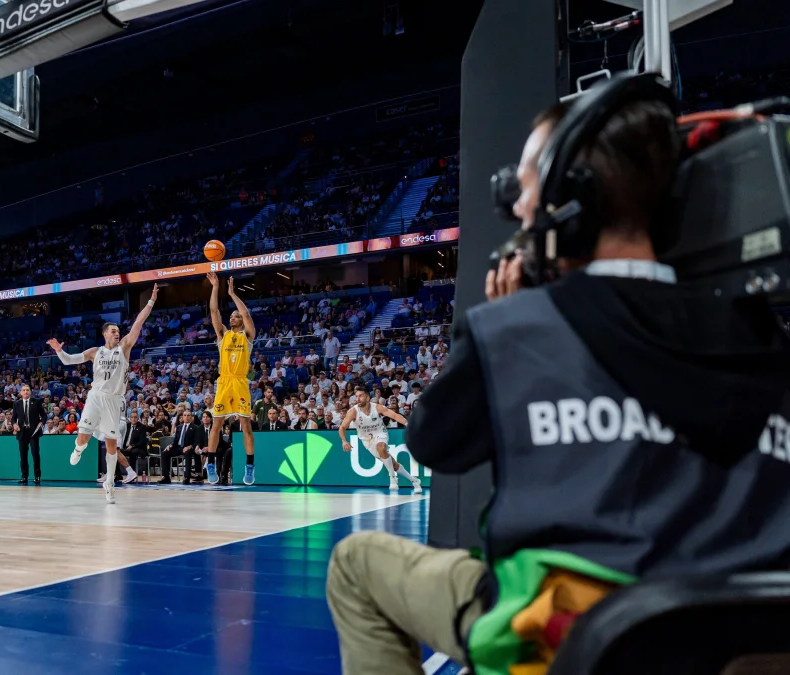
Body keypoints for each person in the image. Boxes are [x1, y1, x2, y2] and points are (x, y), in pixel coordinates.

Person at [326, 76, 790, 675]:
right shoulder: (769, 343)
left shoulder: (514, 332)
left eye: (525, 188)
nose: (518, 209)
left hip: (568, 641)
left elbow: (432, 440)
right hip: (741, 645)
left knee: (356, 563)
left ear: (574, 198)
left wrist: (505, 315)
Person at [51, 284, 158, 504]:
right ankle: (78, 450)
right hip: (95, 397)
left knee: (111, 445)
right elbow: (70, 360)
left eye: (118, 331)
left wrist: (151, 301)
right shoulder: (94, 352)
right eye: (113, 331)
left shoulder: (125, 347)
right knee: (83, 438)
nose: (117, 333)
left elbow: (139, 322)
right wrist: (59, 350)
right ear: (104, 334)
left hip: (114, 400)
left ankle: (109, 483)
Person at [202, 272, 256, 486]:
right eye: (232, 316)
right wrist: (215, 287)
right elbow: (214, 311)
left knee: (246, 425)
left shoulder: (248, 335)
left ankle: (250, 466)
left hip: (240, 381)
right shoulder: (222, 335)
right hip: (224, 382)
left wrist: (233, 294)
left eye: (236, 316)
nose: (233, 317)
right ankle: (211, 463)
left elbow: (247, 315)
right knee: (216, 424)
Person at [337, 385, 420, 493]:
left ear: (367, 397)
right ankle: (414, 480)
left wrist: (408, 424)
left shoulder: (377, 407)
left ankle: (392, 478)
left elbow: (395, 416)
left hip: (380, 433)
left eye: (360, 396)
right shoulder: (353, 411)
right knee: (393, 464)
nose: (357, 399)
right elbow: (342, 428)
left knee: (380, 446)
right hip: (367, 441)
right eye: (356, 396)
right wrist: (344, 441)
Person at [159, 410, 205, 484]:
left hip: (189, 448)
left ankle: (187, 477)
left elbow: (197, 442)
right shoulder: (179, 427)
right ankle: (166, 476)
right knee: (164, 453)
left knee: (187, 453)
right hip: (179, 447)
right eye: (185, 415)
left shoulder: (196, 427)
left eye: (188, 415)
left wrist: (190, 446)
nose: (186, 417)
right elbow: (176, 440)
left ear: (191, 417)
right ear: (182, 417)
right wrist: (171, 445)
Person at [12, 384, 44, 485]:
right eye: (24, 390)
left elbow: (44, 415)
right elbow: (13, 418)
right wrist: (14, 424)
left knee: (35, 455)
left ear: (30, 392)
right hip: (22, 432)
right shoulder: (17, 404)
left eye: (27, 390)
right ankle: (24, 476)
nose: (26, 392)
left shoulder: (36, 402)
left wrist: (41, 422)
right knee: (23, 456)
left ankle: (37, 476)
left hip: (33, 432)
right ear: (20, 392)